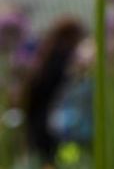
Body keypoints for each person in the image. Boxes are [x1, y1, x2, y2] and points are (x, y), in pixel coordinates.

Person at [21, 15, 86, 167]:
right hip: (51, 109)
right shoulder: (63, 53)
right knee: (50, 150)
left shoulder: (47, 50)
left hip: (38, 108)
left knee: (41, 148)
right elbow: (58, 80)